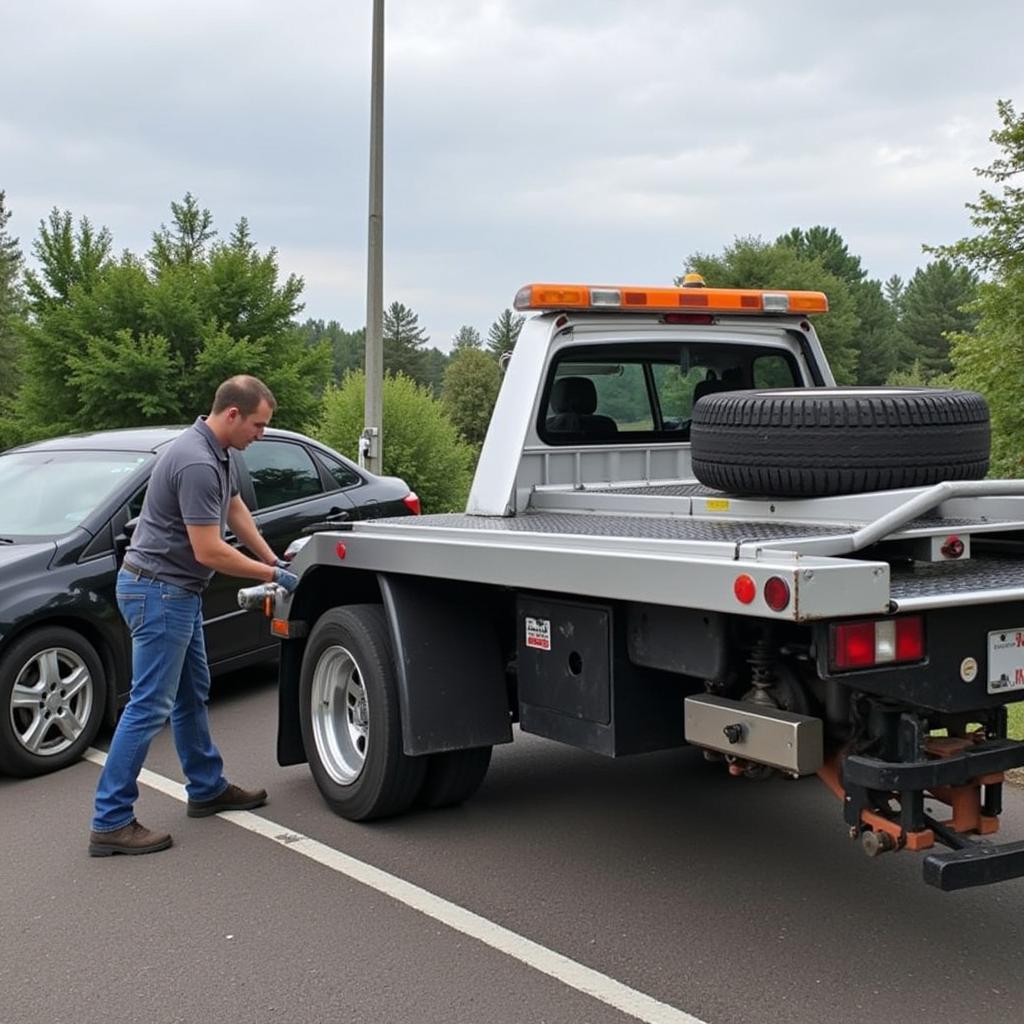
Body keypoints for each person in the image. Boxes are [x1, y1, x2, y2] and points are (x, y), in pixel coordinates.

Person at [88, 375, 299, 856]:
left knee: (190, 693)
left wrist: (276, 562)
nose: (261, 435)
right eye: (259, 425)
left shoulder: (217, 452)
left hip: (173, 593)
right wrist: (269, 573)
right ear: (232, 415)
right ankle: (111, 820)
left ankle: (206, 788)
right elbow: (209, 551)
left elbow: (236, 510)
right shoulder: (197, 460)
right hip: (159, 593)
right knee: (148, 707)